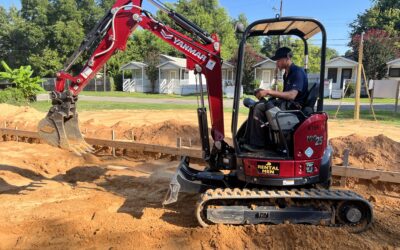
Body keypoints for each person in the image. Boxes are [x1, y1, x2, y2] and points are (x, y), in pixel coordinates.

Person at [244, 47, 308, 151]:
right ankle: (250, 140)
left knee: (259, 107)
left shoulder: (297, 72)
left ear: (287, 58)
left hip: (293, 109)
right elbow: (284, 94)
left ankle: (258, 144)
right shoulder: (287, 74)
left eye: (278, 60)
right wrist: (265, 92)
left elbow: (291, 95)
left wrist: (269, 92)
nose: (276, 63)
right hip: (287, 105)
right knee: (255, 105)